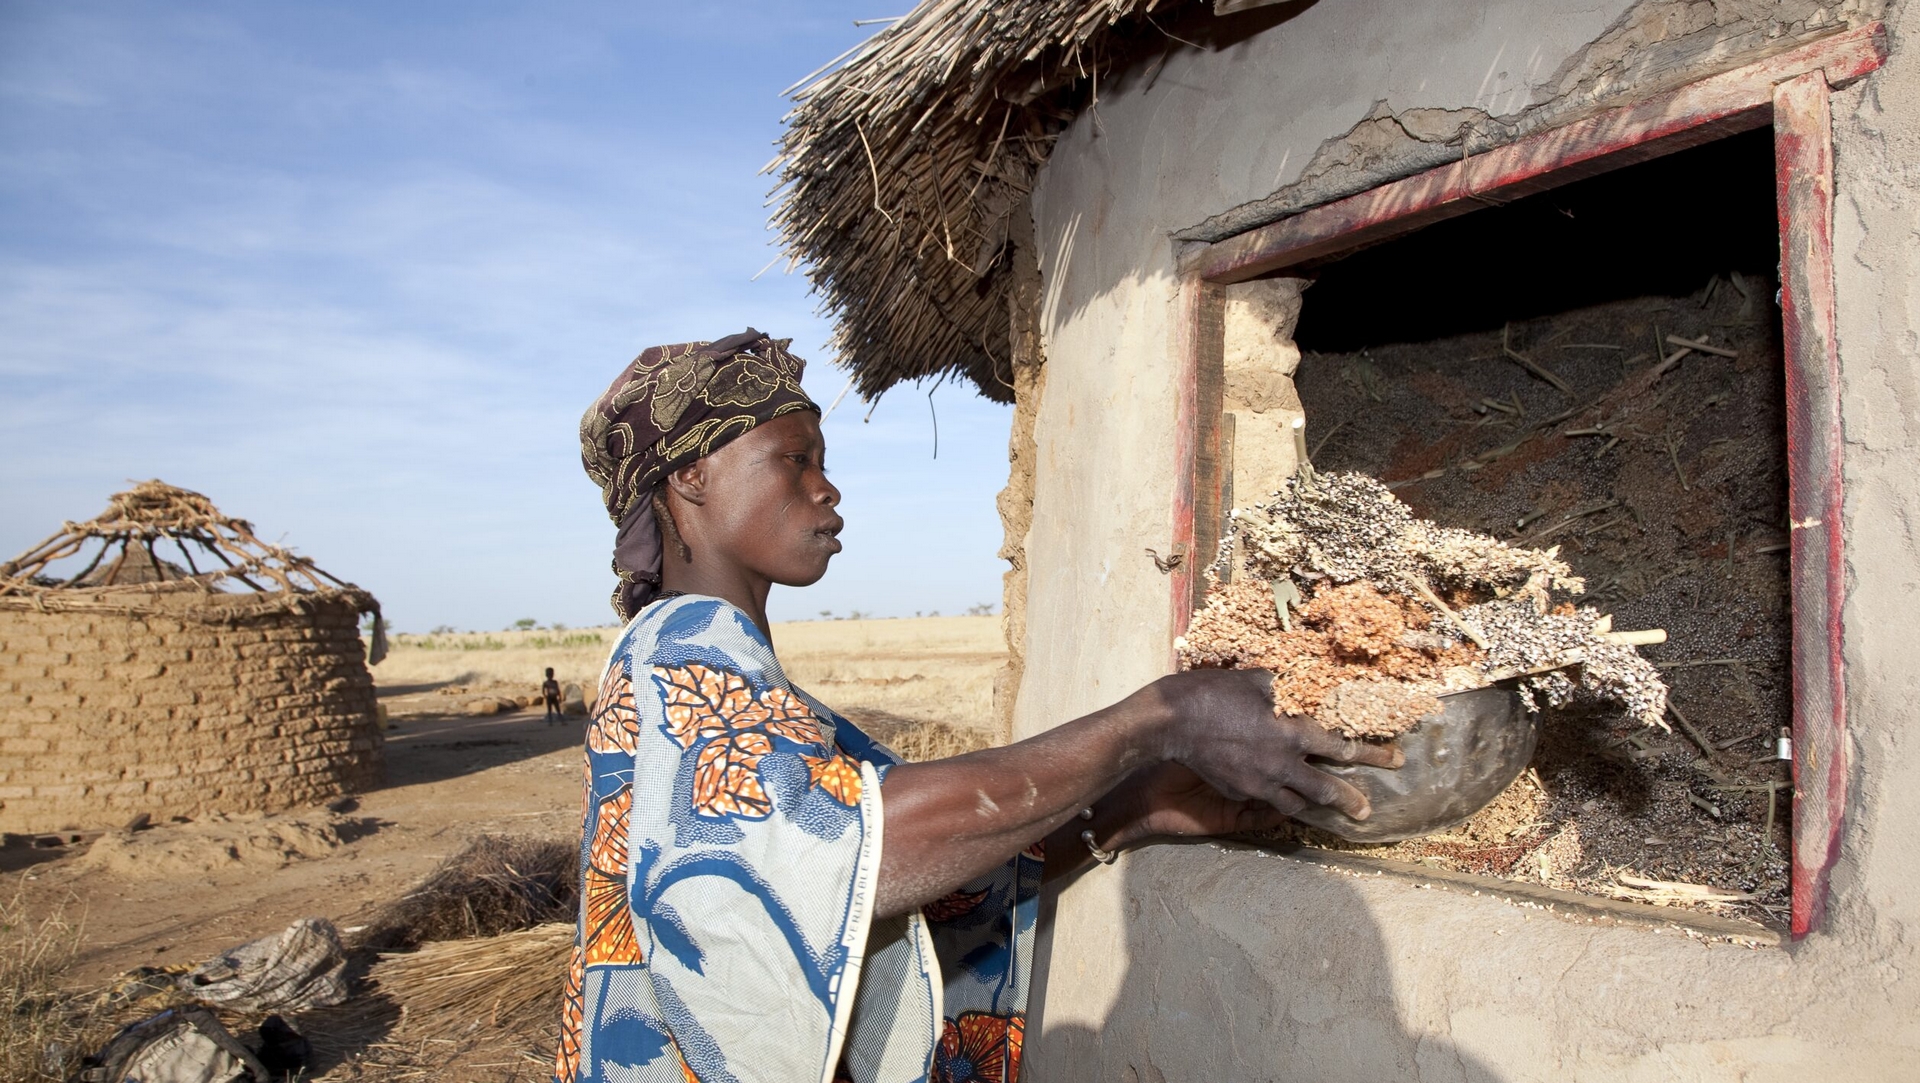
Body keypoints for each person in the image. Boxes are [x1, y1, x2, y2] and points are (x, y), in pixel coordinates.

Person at [558, 330, 1400, 1083]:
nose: (829, 489)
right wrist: (1159, 718)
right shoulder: (685, 648)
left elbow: (919, 880)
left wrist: (1137, 806)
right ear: (693, 475)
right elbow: (856, 854)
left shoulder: (731, 682)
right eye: (795, 458)